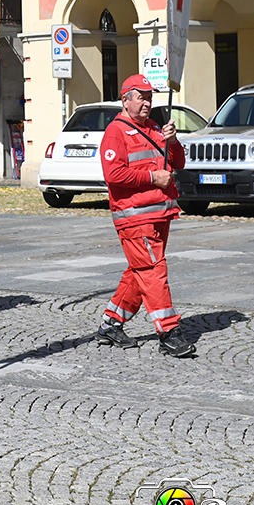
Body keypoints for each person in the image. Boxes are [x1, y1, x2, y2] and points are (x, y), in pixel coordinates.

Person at [93, 74, 195, 358]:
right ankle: (169, 332)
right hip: (135, 217)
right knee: (152, 271)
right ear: (125, 100)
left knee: (139, 271)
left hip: (159, 214)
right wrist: (154, 177)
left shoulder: (153, 128)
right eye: (142, 97)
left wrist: (173, 142)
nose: (148, 102)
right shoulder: (116, 132)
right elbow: (114, 175)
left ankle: (111, 323)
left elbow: (178, 163)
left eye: (150, 97)